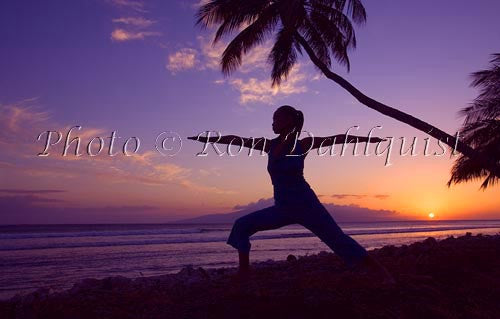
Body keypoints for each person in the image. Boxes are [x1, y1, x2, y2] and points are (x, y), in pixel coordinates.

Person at [188, 105, 395, 284]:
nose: (272, 123)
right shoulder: (269, 145)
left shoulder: (303, 144)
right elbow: (237, 140)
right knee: (241, 225)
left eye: (275, 118)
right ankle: (244, 274)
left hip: (307, 205)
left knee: (337, 239)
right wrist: (208, 139)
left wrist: (367, 139)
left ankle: (382, 272)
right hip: (283, 208)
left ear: (287, 120)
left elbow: (338, 139)